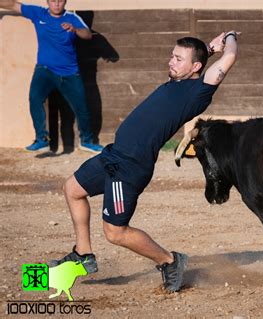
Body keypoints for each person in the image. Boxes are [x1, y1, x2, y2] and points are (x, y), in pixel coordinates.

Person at [49, 31, 239, 293]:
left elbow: (230, 55)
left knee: (115, 232)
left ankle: (170, 261)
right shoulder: (176, 81)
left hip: (128, 168)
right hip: (113, 155)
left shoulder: (198, 92)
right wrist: (208, 47)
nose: (170, 61)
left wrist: (228, 37)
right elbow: (195, 60)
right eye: (172, 56)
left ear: (195, 67)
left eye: (178, 59)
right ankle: (83, 254)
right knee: (72, 189)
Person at [0, 0, 103, 153]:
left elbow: (87, 35)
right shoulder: (38, 13)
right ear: (48, 2)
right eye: (53, 1)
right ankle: (41, 140)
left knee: (81, 107)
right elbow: (13, 5)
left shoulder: (72, 17)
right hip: (45, 69)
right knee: (34, 98)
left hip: (69, 72)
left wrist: (74, 30)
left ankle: (87, 142)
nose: (56, 4)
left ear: (65, 2)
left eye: (60, 1)